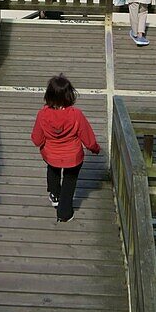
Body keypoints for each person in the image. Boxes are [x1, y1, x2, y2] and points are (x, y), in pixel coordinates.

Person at [30, 75, 100, 224]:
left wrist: (44, 143)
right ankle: (64, 213)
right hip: (73, 156)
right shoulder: (76, 115)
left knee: (53, 169)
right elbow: (88, 138)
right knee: (70, 181)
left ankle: (55, 194)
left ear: (48, 94)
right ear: (69, 95)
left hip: (51, 154)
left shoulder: (42, 114)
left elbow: (36, 139)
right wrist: (95, 148)